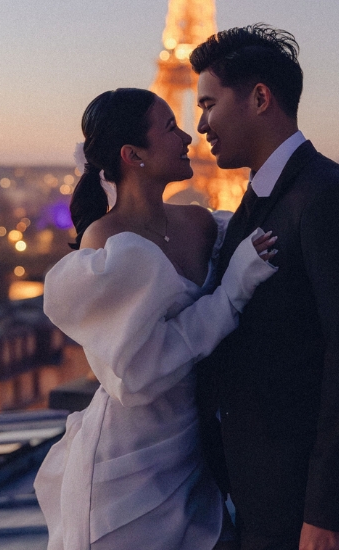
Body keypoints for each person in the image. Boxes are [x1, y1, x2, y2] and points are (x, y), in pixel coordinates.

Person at [35, 88, 279, 550]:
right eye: (170, 128)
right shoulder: (106, 243)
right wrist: (229, 295)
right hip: (127, 467)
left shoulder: (201, 224)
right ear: (133, 156)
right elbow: (139, 374)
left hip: (191, 451)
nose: (188, 135)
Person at [190, 25, 339, 550]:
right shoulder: (274, 194)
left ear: (260, 98)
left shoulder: (328, 200)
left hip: (299, 502)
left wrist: (325, 517)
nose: (201, 124)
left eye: (210, 104)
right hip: (265, 484)